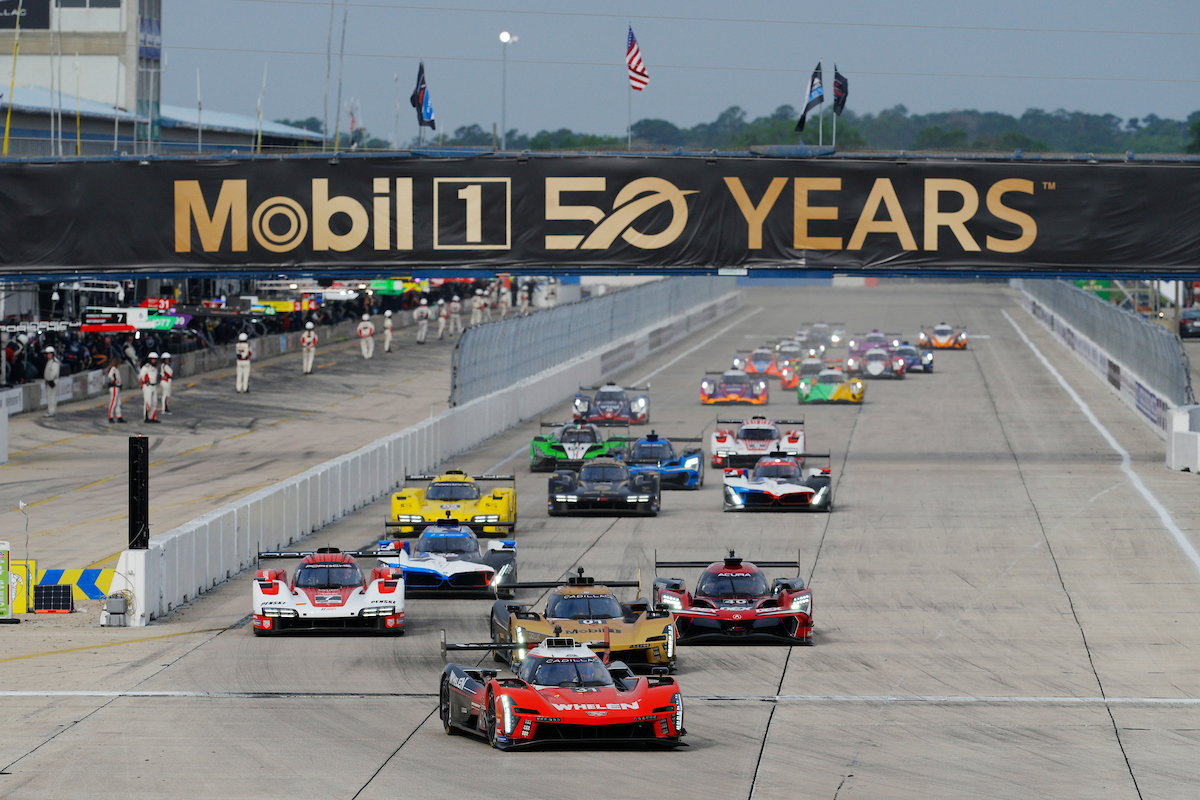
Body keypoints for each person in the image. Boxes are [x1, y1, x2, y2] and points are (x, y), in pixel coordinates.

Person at [139, 352, 160, 422]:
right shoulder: (146, 367)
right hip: (147, 386)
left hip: (154, 386)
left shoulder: (156, 367)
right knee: (148, 402)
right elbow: (141, 377)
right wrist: (142, 385)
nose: (154, 360)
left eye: (155, 359)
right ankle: (146, 417)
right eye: (152, 359)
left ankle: (153, 417)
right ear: (150, 359)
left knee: (155, 402)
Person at [42, 346, 61, 418]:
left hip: (52, 382)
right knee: (49, 397)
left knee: (51, 397)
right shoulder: (50, 361)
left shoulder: (54, 362)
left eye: (49, 354)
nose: (48, 355)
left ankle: (51, 411)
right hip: (49, 381)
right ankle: (50, 410)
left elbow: (53, 373)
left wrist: (49, 379)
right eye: (47, 354)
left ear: (53, 354)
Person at [106, 357, 125, 423]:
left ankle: (119, 416)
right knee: (113, 402)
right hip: (114, 387)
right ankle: (110, 416)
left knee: (118, 403)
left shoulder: (116, 369)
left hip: (117, 387)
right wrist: (114, 381)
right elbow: (110, 376)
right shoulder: (113, 368)